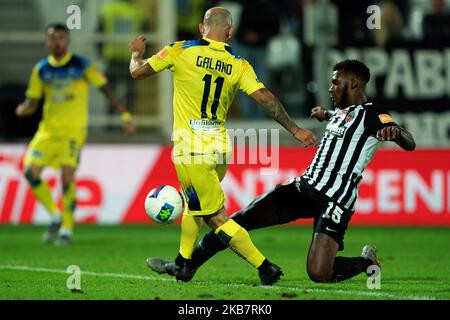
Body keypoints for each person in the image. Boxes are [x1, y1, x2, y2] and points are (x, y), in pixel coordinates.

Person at [148, 59, 416, 283]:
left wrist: (396, 133)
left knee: (319, 273)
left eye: (336, 82)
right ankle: (186, 265)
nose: (331, 87)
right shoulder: (340, 113)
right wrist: (325, 114)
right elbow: (340, 121)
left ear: (354, 83)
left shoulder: (373, 114)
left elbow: (408, 141)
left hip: (335, 199)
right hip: (304, 187)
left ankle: (367, 262)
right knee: (239, 220)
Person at [129, 7, 317, 285]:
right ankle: (182, 264)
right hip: (219, 149)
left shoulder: (180, 50)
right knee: (195, 206)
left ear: (201, 29)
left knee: (216, 217)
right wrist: (295, 128)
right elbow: (265, 98)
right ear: (230, 32)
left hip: (190, 148)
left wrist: (135, 54)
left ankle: (265, 267)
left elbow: (137, 73)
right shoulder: (239, 63)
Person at [16, 23, 135, 245]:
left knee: (67, 176)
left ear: (67, 40)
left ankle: (66, 230)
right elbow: (32, 101)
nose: (57, 42)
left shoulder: (82, 65)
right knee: (30, 172)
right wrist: (24, 108)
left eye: (61, 37)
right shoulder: (41, 69)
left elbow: (106, 88)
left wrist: (124, 115)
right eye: (52, 38)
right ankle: (55, 215)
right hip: (47, 131)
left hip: (73, 131)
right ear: (46, 41)